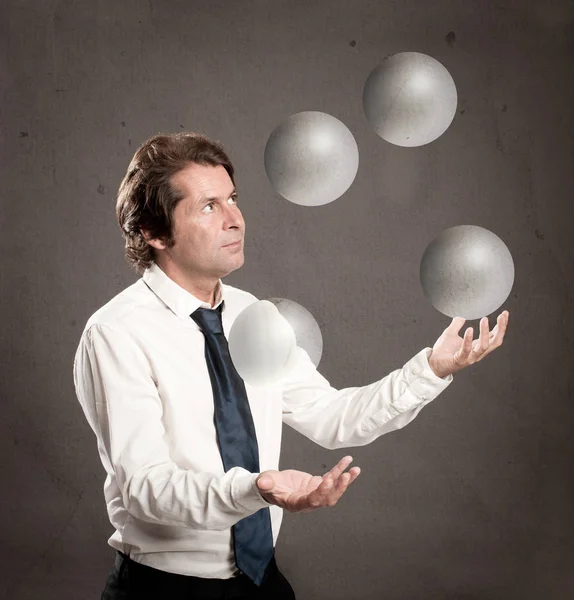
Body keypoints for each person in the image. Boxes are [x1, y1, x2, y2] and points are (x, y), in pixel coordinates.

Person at [72, 132, 509, 600]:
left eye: (233, 199)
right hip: (163, 590)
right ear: (154, 233)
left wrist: (432, 370)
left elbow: (332, 417)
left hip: (261, 582)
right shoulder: (117, 333)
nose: (235, 219)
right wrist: (258, 488)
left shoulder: (251, 313)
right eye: (208, 206)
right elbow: (146, 487)